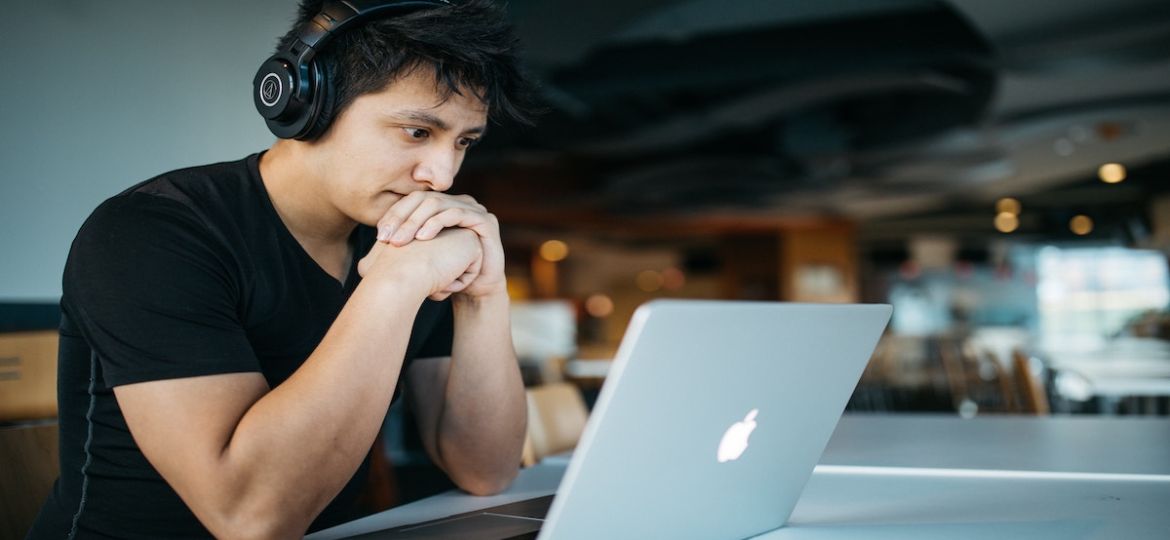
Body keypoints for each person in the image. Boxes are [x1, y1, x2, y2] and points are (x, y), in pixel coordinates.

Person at [29, 0, 535, 537]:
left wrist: (484, 295)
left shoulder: (405, 237)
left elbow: (486, 470)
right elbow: (251, 518)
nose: (442, 173)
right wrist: (394, 283)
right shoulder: (152, 233)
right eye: (416, 132)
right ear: (306, 103)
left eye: (464, 142)